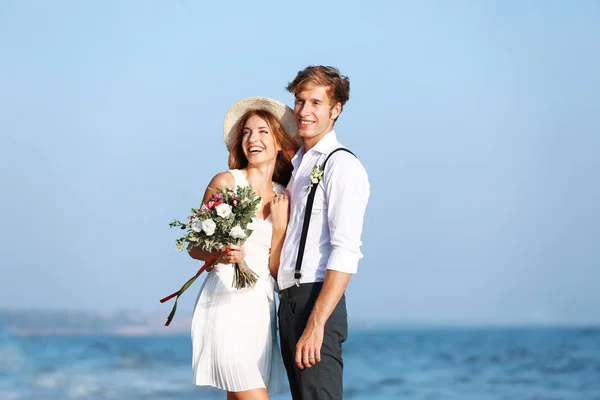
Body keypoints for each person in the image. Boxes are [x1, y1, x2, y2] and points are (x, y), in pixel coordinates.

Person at [188, 96, 300, 400]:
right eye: (247, 133)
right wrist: (221, 255)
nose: (253, 139)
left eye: (263, 131)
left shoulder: (285, 196)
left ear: (278, 141)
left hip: (260, 308)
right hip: (224, 303)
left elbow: (275, 269)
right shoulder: (225, 182)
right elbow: (194, 247)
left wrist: (279, 228)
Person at [277, 66, 370, 400]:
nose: (304, 111)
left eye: (316, 103)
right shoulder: (296, 165)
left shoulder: (341, 165)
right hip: (287, 302)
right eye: (300, 102)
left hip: (316, 301)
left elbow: (345, 250)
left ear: (335, 109)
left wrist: (316, 323)